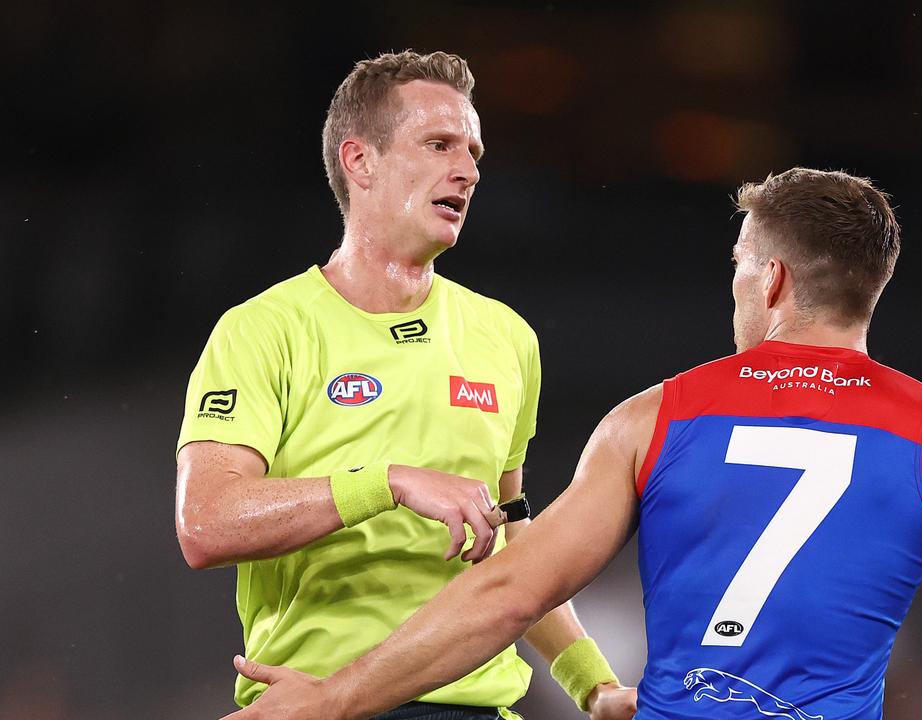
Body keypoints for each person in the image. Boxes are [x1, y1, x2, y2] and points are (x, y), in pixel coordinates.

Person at [221, 168, 922, 720]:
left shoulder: (654, 419)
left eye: (738, 264)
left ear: (769, 280)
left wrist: (333, 696)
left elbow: (501, 594)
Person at [175, 50, 635, 720]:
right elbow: (206, 524)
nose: (469, 171)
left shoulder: (504, 337)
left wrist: (593, 684)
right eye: (439, 144)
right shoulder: (261, 330)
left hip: (477, 708)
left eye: (474, 152)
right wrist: (386, 482)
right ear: (360, 162)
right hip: (312, 704)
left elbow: (513, 548)